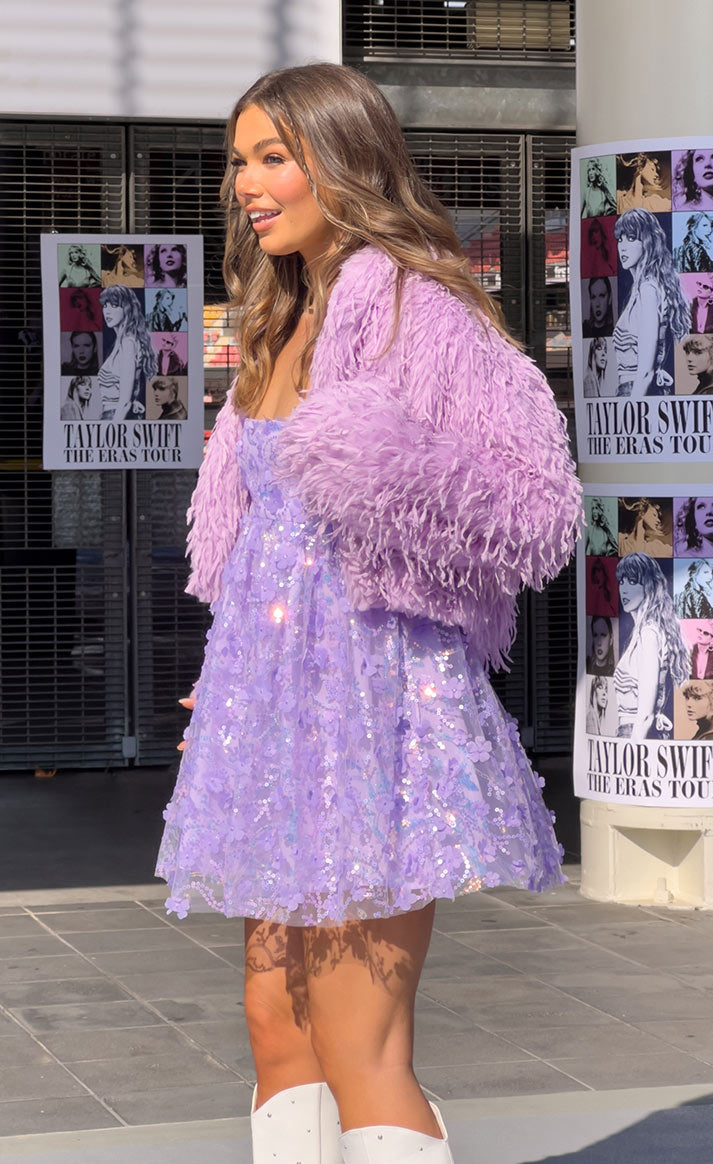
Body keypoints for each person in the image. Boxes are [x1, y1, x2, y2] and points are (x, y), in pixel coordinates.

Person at [154, 63, 582, 1164]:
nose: (245, 184)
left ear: (342, 160)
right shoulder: (282, 315)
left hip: (372, 711)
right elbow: (260, 546)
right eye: (238, 160)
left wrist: (373, 457)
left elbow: (534, 505)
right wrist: (231, 661)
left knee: (358, 1046)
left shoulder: (412, 303)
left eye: (272, 157)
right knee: (275, 1025)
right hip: (274, 712)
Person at [612, 209, 691, 397]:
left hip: (636, 393)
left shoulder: (648, 289)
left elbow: (645, 372)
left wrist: (632, 413)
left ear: (647, 242)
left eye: (631, 238)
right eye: (620, 239)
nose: (622, 247)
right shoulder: (641, 287)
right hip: (638, 390)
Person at [613, 553, 690, 739]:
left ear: (649, 586)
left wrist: (632, 754)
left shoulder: (649, 633)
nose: (624, 589)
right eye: (622, 582)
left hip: (635, 735)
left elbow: (645, 715)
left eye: (632, 582)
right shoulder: (643, 631)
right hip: (635, 732)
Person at [99, 285, 157, 420]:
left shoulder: (127, 343)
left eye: (114, 306)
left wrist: (112, 431)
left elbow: (124, 402)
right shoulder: (121, 342)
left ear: (126, 308)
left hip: (115, 418)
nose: (107, 311)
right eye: (105, 306)